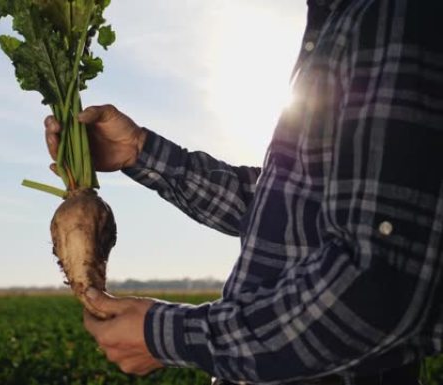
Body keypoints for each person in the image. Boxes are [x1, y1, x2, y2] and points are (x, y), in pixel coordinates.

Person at [44, 0, 442, 384]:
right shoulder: (340, 19)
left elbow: (374, 289)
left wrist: (166, 336)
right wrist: (138, 151)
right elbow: (288, 209)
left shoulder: (394, 14)